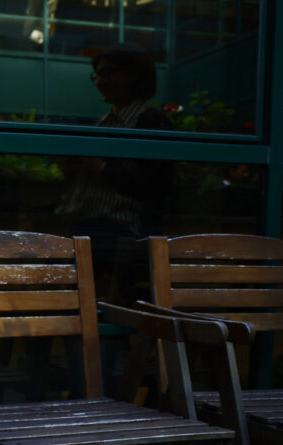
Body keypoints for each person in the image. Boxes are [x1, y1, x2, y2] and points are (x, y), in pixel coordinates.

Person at [57, 42, 173, 301]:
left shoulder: (149, 122)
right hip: (87, 226)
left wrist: (100, 170)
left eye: (109, 73)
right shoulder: (104, 123)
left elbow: (157, 185)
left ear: (134, 76)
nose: (100, 81)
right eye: (98, 75)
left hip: (118, 232)